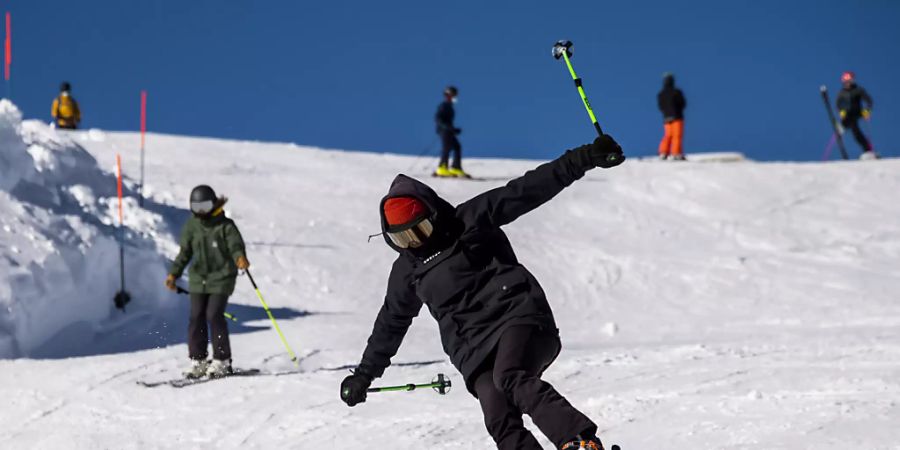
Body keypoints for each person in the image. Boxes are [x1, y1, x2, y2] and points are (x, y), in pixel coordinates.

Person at [340, 135, 626, 450]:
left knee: (510, 376)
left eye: (419, 231)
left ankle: (580, 441)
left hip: (515, 317)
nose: (415, 243)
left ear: (432, 216)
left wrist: (585, 157)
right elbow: (390, 325)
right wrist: (363, 376)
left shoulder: (469, 221)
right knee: (497, 415)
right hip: (473, 349)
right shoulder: (407, 271)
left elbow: (526, 191)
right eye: (403, 239)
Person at [165, 185, 249, 379]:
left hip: (222, 278)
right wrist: (173, 275)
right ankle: (199, 360)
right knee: (196, 317)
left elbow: (236, 245)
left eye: (205, 205)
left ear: (213, 204)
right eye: (197, 206)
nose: (201, 211)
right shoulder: (192, 227)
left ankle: (222, 360)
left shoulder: (225, 226)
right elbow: (184, 253)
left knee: (214, 315)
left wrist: (240, 258)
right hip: (198, 279)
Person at [836, 71, 876, 158]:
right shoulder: (842, 93)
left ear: (852, 81)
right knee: (848, 121)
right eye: (845, 81)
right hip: (847, 114)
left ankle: (868, 150)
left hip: (857, 113)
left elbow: (869, 101)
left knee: (855, 131)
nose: (847, 83)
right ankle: (842, 127)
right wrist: (841, 111)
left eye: (849, 81)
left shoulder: (858, 90)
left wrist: (867, 110)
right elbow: (838, 104)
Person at [434, 85, 468, 178]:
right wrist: (446, 127)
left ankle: (455, 167)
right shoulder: (444, 105)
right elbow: (438, 118)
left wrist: (453, 130)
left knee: (457, 147)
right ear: (448, 95)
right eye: (453, 95)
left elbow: (446, 121)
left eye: (455, 95)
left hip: (448, 131)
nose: (454, 97)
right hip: (444, 131)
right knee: (447, 148)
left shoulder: (449, 106)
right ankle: (442, 168)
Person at [657, 72, 686, 160]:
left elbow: (660, 106)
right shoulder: (676, 92)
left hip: (666, 118)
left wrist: (666, 113)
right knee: (677, 135)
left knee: (668, 135)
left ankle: (663, 152)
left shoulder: (661, 94)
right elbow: (682, 103)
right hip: (677, 116)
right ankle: (676, 153)